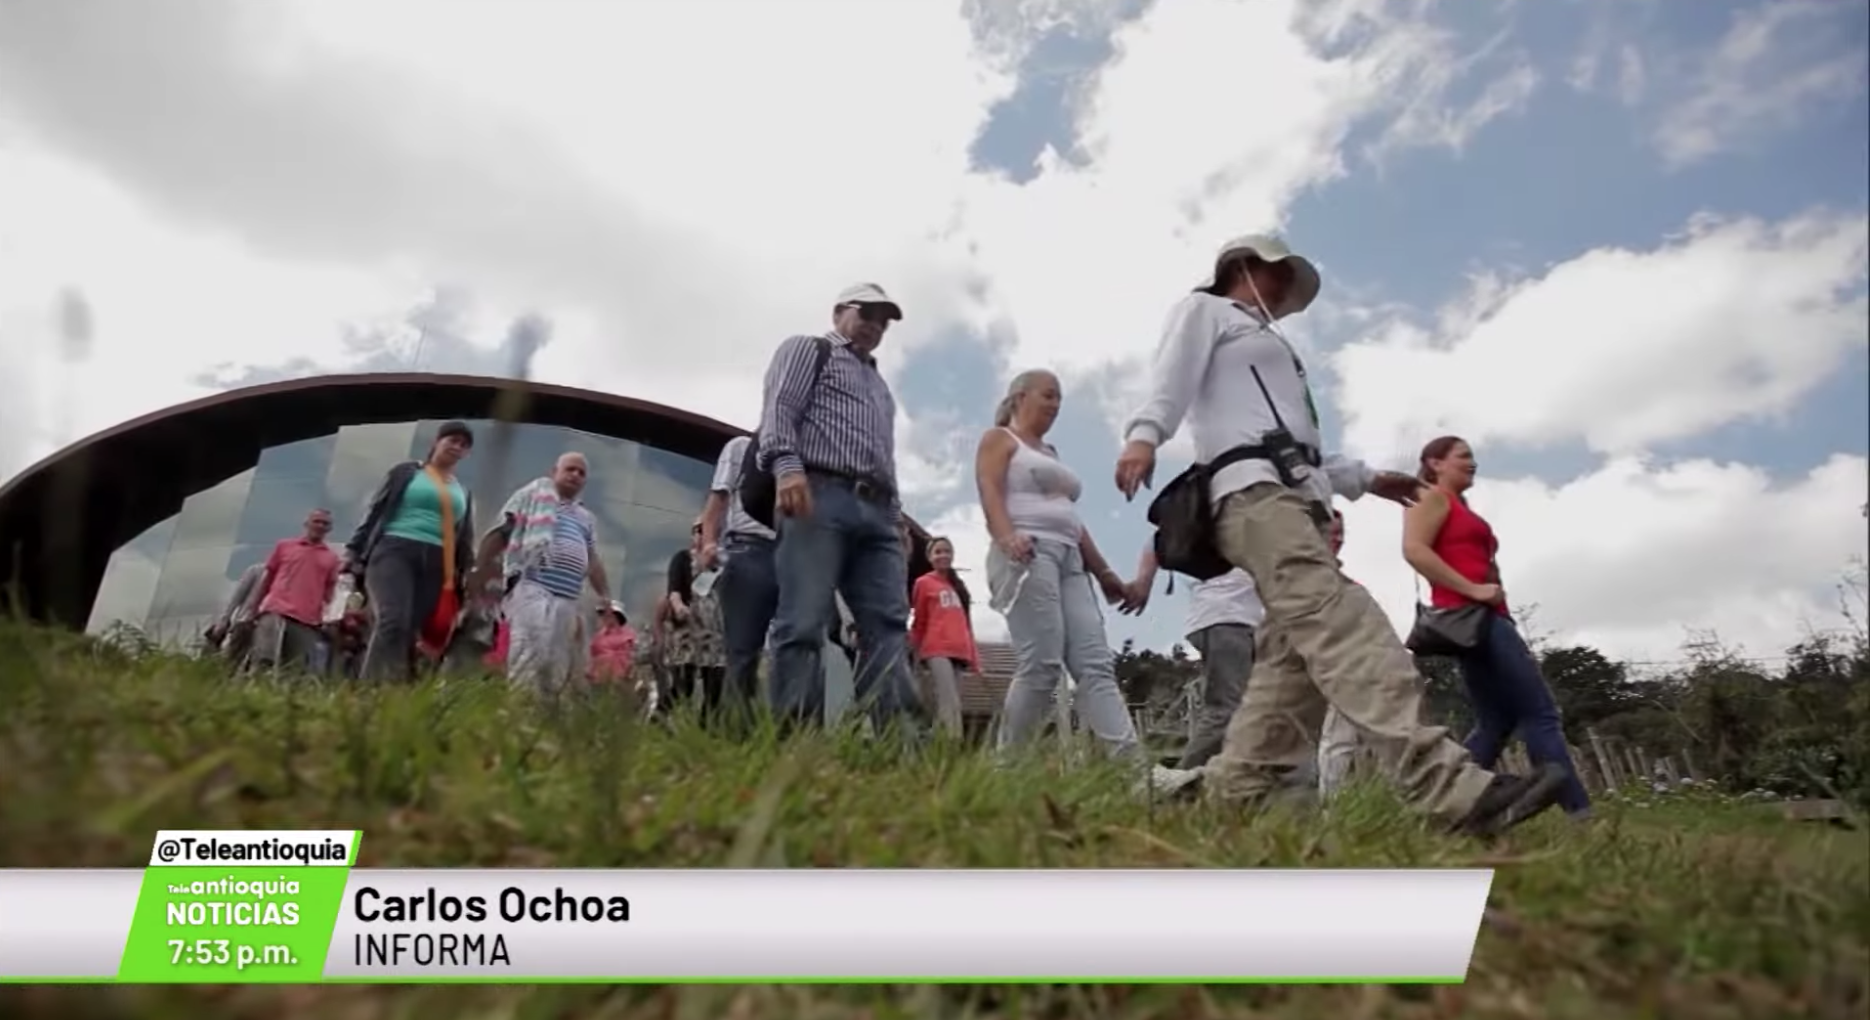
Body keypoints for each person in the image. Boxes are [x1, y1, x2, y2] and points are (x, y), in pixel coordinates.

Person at [1114, 234, 1565, 836]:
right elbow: (1172, 378)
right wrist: (1145, 434)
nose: (1283, 290)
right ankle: (1449, 790)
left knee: (1291, 669)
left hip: (1296, 499)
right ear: (1246, 267)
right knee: (1346, 623)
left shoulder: (1271, 343)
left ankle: (1220, 804)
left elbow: (1298, 446)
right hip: (1253, 496)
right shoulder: (1206, 311)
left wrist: (1367, 477)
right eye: (1278, 275)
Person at [754, 282, 924, 733]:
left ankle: (898, 744)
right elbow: (779, 409)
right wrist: (788, 469)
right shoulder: (809, 350)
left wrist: (895, 519)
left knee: (888, 625)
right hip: (818, 494)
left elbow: (883, 456)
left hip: (879, 511)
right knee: (804, 619)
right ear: (838, 313)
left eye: (883, 320)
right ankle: (793, 740)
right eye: (866, 313)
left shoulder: (881, 387)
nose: (874, 325)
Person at [1405, 436, 1593, 820]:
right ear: (1435, 463)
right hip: (1474, 617)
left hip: (1484, 618)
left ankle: (1449, 802)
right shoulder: (1431, 497)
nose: (1473, 463)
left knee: (1497, 720)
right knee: (1540, 714)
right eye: (1463, 456)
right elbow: (1414, 549)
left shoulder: (1460, 505)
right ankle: (1579, 813)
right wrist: (1473, 588)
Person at [978, 369, 1143, 764]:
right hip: (1028, 552)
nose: (1055, 405)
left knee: (1095, 665)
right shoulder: (1000, 439)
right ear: (1020, 398)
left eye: (1059, 399)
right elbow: (989, 488)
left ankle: (1136, 771)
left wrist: (1104, 573)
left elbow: (1071, 519)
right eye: (1048, 396)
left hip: (1070, 560)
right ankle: (1007, 767)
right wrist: (1006, 536)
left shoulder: (1050, 453)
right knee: (1042, 664)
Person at [343, 420, 477, 683]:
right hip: (394, 550)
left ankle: (395, 691)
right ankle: (371, 689)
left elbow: (464, 539)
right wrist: (352, 551)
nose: (457, 447)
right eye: (452, 440)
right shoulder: (406, 472)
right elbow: (376, 512)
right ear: (436, 442)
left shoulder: (463, 492)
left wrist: (468, 575)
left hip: (438, 564)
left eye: (463, 445)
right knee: (393, 620)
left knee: (410, 631)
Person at [474, 452, 612, 695]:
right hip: (532, 585)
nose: (575, 475)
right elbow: (503, 529)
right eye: (570, 469)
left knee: (557, 658)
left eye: (581, 473)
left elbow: (592, 557)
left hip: (568, 597)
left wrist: (605, 594)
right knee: (530, 646)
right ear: (554, 471)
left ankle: (544, 715)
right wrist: (480, 569)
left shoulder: (585, 518)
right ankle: (520, 709)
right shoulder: (533, 495)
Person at [1124, 546, 1262, 771]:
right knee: (1227, 708)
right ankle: (1181, 779)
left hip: (1251, 620)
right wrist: (1143, 583)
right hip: (1226, 616)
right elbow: (1159, 540)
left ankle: (1242, 782)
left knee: (1261, 708)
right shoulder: (1213, 513)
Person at [698, 433, 779, 718]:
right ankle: (736, 729)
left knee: (795, 645)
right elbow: (717, 501)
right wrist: (709, 542)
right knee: (743, 650)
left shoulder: (803, 457)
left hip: (793, 552)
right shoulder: (741, 448)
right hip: (748, 548)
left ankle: (793, 730)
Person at [246, 508, 343, 676]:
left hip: (307, 620)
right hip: (276, 610)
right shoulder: (284, 546)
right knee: (264, 659)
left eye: (325, 523)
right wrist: (253, 609)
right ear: (306, 524)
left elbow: (329, 593)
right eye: (316, 521)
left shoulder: (332, 559)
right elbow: (267, 579)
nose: (320, 525)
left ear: (329, 529)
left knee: (298, 670)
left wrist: (327, 619)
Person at [909, 536, 978, 736]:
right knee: (950, 700)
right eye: (938, 552)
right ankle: (953, 743)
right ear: (930, 557)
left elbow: (967, 625)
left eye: (947, 551)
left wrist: (974, 658)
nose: (943, 555)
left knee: (952, 700)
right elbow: (919, 620)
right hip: (936, 648)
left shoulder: (959, 588)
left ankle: (932, 741)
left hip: (960, 650)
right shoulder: (923, 583)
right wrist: (915, 650)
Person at [660, 520, 726, 716]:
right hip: (688, 630)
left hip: (714, 634)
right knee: (683, 687)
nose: (703, 534)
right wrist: (679, 606)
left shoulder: (722, 566)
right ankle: (659, 719)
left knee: (714, 686)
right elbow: (674, 590)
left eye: (708, 530)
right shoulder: (682, 558)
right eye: (699, 530)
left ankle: (707, 731)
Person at [205, 561, 266, 672]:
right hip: (245, 624)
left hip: (268, 630)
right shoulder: (257, 570)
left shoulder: (288, 578)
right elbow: (236, 598)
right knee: (232, 663)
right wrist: (224, 620)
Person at [588, 601, 638, 684]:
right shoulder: (598, 637)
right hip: (598, 681)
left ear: (616, 616)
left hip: (619, 681)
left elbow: (631, 658)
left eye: (607, 614)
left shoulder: (628, 636)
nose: (603, 617)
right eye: (602, 614)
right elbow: (593, 656)